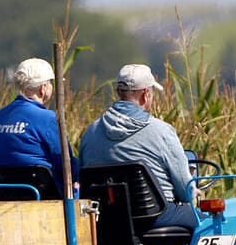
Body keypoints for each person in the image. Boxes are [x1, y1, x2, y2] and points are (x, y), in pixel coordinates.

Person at [79, 63, 199, 230]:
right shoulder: (161, 131)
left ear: (118, 92)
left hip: (108, 221)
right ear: (145, 94)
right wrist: (193, 191)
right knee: (205, 222)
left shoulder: (90, 133)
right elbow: (186, 193)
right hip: (155, 217)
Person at [0, 57, 78, 198]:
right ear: (43, 89)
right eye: (50, 83)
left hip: (2, 194)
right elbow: (66, 163)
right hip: (41, 194)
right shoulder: (47, 118)